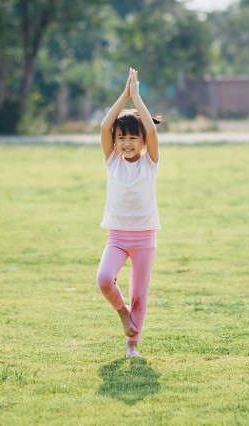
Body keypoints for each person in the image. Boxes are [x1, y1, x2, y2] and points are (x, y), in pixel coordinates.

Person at [96, 68, 161, 358]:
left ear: (142, 141)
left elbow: (152, 129)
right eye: (121, 137)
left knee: (139, 294)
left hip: (145, 238)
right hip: (117, 237)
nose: (126, 143)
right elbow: (103, 127)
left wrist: (138, 98)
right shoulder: (112, 161)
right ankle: (123, 315)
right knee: (104, 280)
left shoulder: (150, 163)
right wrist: (124, 97)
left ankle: (132, 344)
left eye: (133, 138)